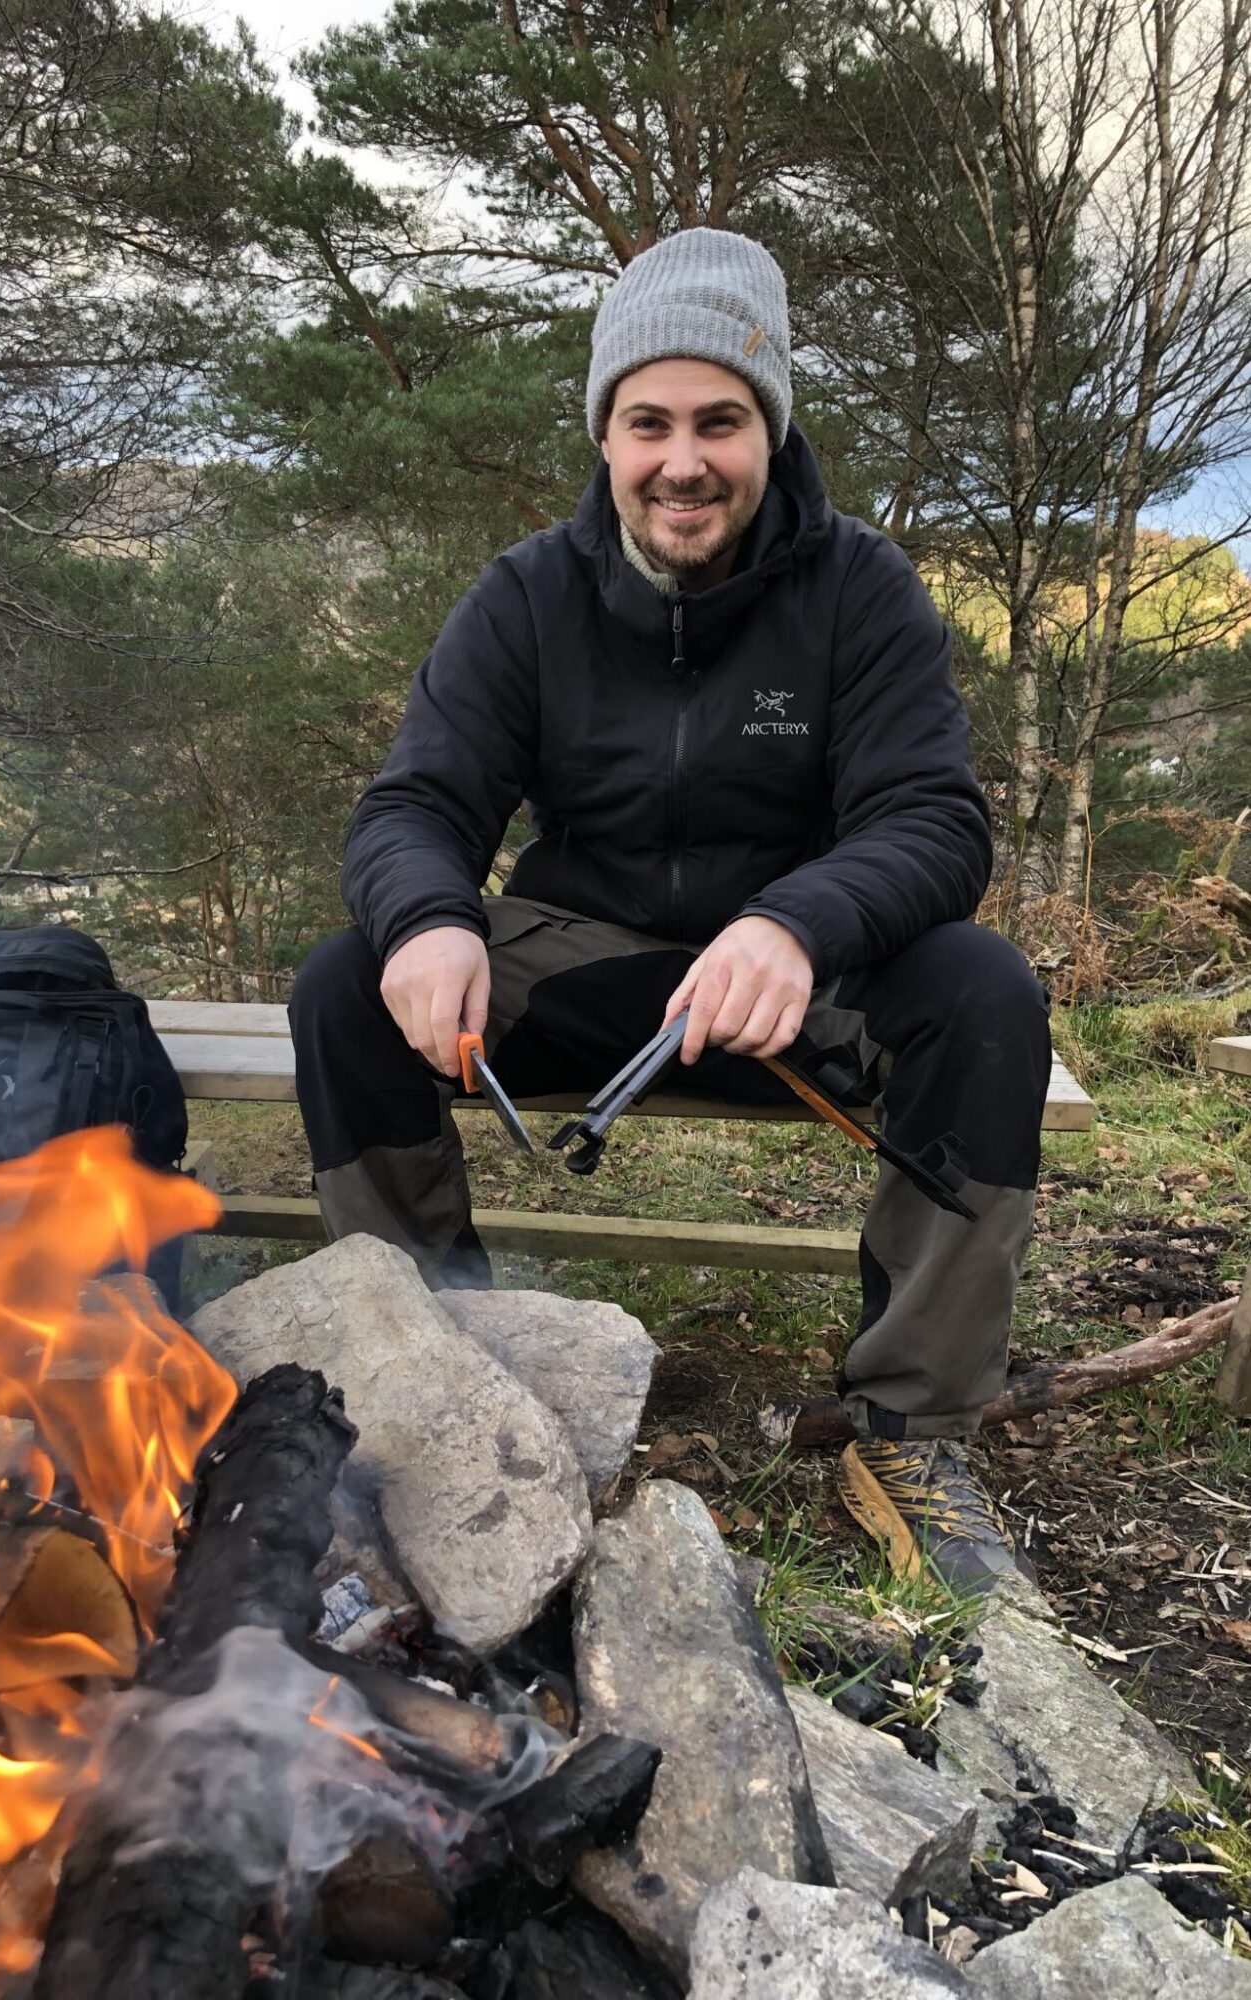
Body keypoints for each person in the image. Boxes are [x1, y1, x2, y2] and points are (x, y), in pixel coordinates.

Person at [290, 229, 1052, 1592]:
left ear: (770, 430)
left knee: (987, 992)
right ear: (606, 433)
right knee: (347, 982)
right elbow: (414, 807)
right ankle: (428, 1366)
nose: (682, 461)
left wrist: (799, 921)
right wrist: (428, 922)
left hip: (796, 991)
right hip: (585, 970)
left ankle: (913, 1432)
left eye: (720, 421)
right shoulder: (525, 597)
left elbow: (935, 821)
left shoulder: (862, 591)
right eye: (649, 423)